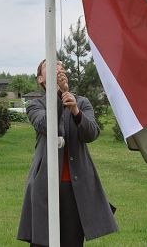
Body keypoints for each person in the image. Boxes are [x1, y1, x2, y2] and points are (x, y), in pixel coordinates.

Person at [18, 60, 118, 246]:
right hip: (44, 187)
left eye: (60, 66)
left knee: (71, 242)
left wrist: (76, 111)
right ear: (41, 78)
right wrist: (58, 94)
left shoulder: (81, 102)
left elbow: (91, 134)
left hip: (75, 188)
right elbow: (44, 124)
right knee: (42, 241)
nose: (58, 66)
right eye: (50, 64)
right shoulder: (35, 104)